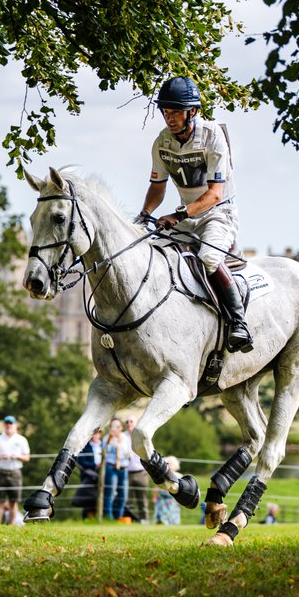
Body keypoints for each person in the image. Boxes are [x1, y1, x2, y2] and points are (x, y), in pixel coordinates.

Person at [136, 75, 252, 353]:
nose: (169, 118)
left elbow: (215, 195)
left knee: (209, 257)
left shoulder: (213, 137)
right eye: (166, 111)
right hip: (186, 217)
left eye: (176, 111)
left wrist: (178, 216)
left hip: (218, 214)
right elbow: (157, 187)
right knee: (151, 252)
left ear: (193, 112)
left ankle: (239, 323)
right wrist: (144, 213)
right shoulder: (161, 142)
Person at [0, 415, 30, 525]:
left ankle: (11, 525)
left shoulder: (21, 440)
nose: (9, 425)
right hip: (0, 472)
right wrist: (0, 456)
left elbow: (27, 457)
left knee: (13, 501)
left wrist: (16, 456)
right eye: (7, 423)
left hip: (15, 473)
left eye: (11, 423)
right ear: (4, 425)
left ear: (15, 425)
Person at [101, 418, 131, 520]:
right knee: (110, 493)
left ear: (121, 428)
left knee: (123, 495)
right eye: (113, 426)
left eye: (117, 426)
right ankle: (108, 517)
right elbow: (105, 450)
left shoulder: (126, 439)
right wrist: (111, 438)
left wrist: (121, 449)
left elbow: (128, 453)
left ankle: (119, 517)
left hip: (123, 469)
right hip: (111, 467)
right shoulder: (107, 438)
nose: (115, 429)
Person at [71, 428, 104, 519]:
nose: (95, 436)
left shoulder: (104, 445)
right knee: (87, 497)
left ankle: (100, 517)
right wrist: (95, 465)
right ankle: (87, 518)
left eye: (97, 433)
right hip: (88, 475)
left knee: (100, 496)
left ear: (100, 434)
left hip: (102, 475)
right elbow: (81, 462)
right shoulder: (85, 447)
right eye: (93, 434)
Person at [125, 417, 150, 523]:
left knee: (142, 498)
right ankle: (128, 519)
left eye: (131, 421)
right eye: (127, 421)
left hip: (141, 471)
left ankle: (144, 519)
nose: (129, 423)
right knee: (128, 499)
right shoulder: (123, 436)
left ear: (136, 423)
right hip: (127, 471)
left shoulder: (141, 435)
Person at [153, 456, 182, 525]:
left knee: (173, 512)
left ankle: (172, 523)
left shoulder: (179, 476)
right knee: (161, 512)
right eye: (168, 464)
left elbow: (181, 489)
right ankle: (161, 522)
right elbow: (157, 486)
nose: (170, 466)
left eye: (172, 464)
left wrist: (181, 500)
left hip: (173, 499)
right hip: (162, 499)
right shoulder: (162, 475)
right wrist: (154, 497)